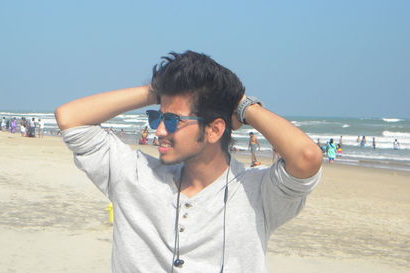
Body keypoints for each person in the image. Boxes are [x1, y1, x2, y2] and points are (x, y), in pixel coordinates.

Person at [55, 51, 323, 272]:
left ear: (214, 130)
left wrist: (241, 105)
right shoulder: (134, 176)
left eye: (172, 121)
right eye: (157, 117)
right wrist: (158, 90)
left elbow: (307, 157)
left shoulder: (258, 193)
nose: (159, 131)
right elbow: (70, 118)